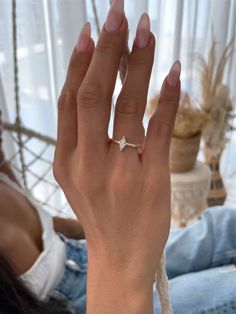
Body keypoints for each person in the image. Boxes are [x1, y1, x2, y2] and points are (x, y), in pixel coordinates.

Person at [0, 0, 236, 312]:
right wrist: (116, 264)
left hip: (79, 252)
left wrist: (103, 223)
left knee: (222, 227)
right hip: (76, 301)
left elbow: (43, 217)